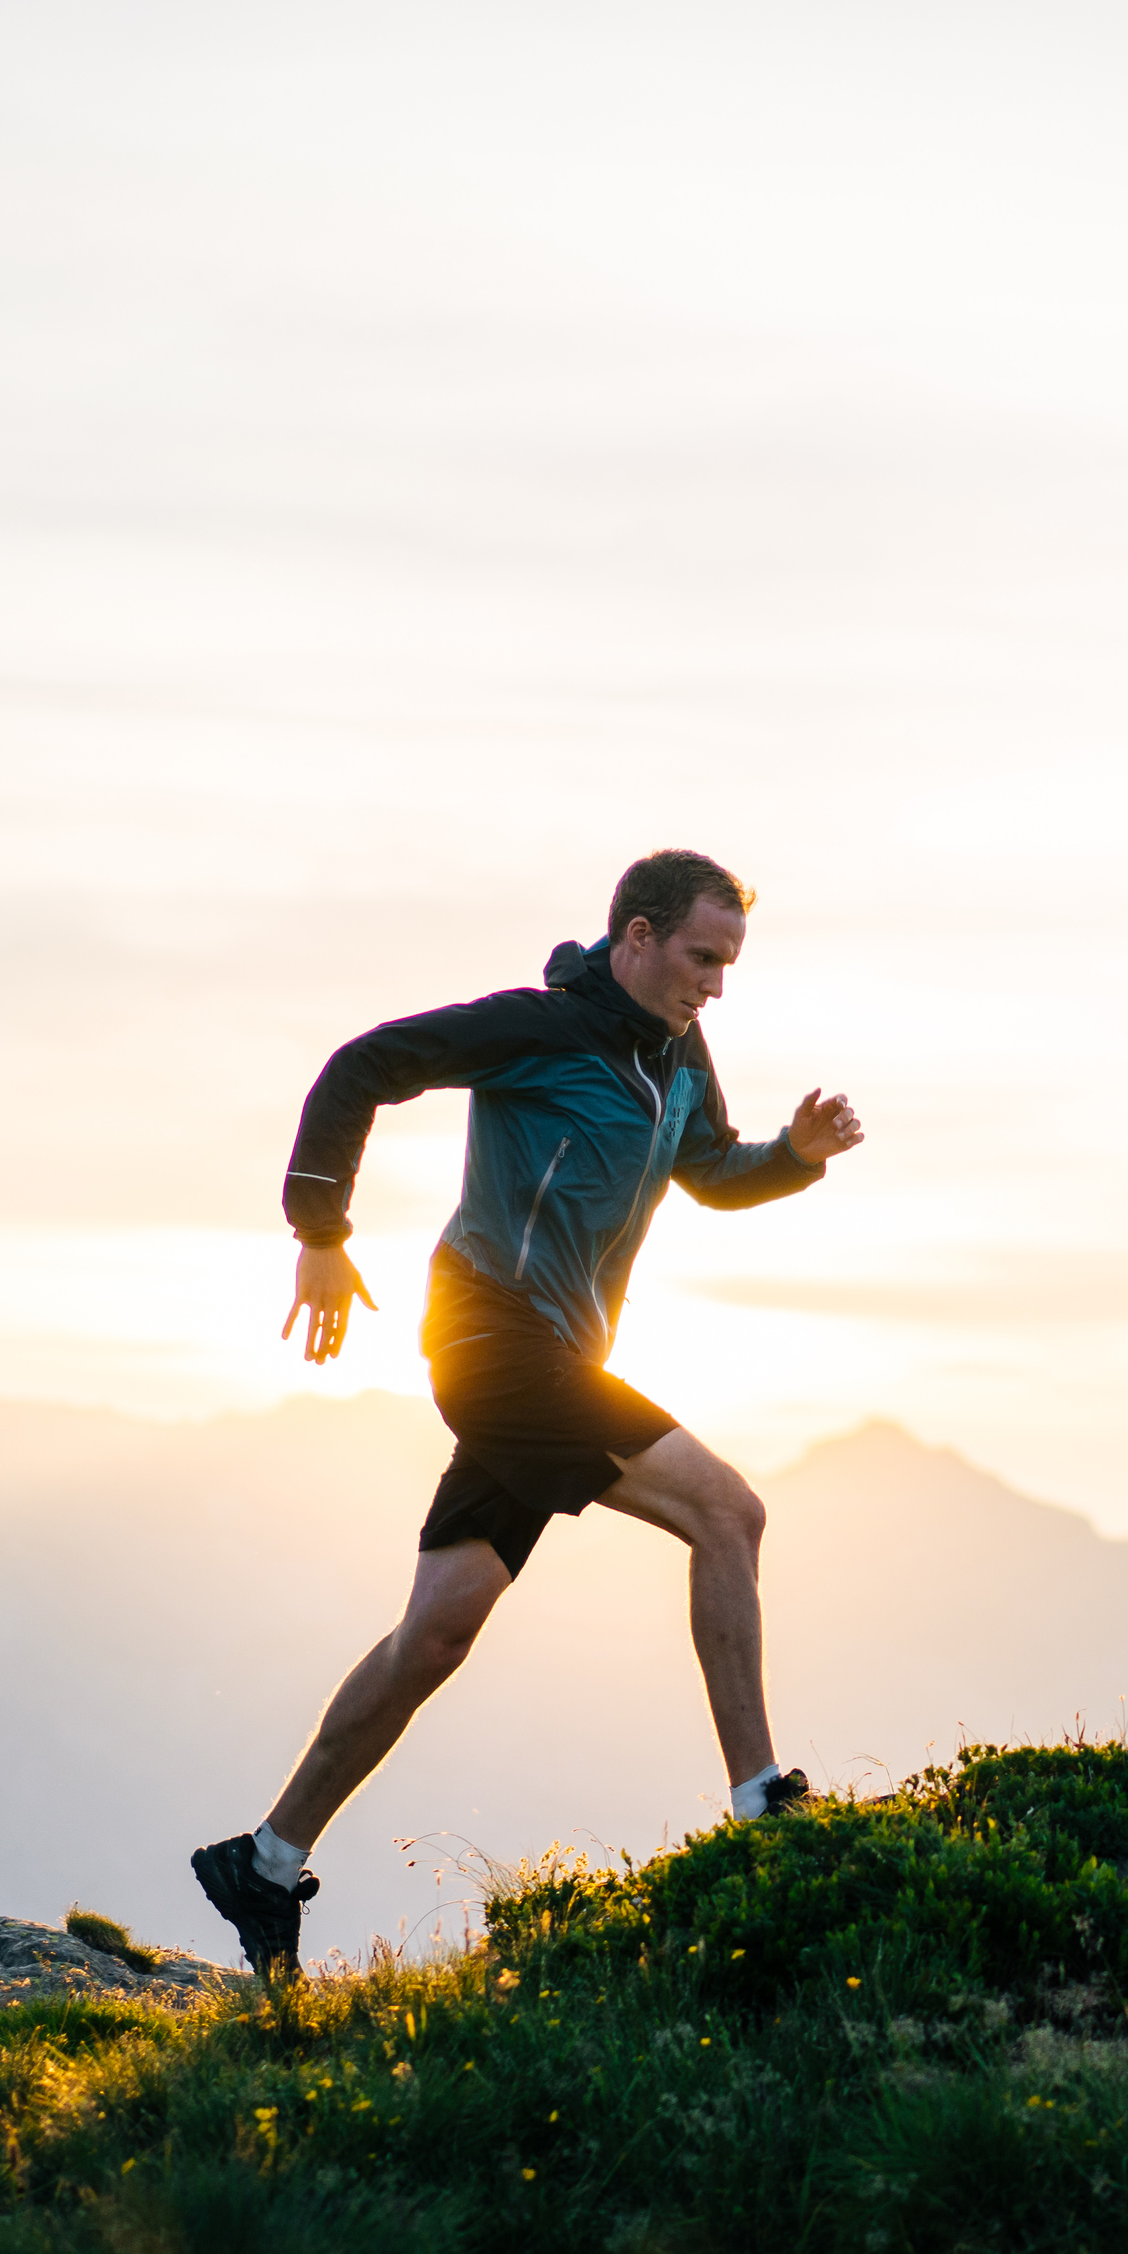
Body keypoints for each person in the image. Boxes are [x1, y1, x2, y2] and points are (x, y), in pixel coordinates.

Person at [191, 848, 865, 1983]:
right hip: (494, 1341)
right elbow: (364, 1066)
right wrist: (321, 1232)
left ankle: (264, 1859)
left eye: (730, 964)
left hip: (557, 1355)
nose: (716, 983)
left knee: (438, 1631)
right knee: (728, 1514)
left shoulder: (677, 1057)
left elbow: (708, 1169)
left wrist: (791, 1159)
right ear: (636, 937)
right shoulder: (537, 1028)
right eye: (703, 957)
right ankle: (763, 1807)